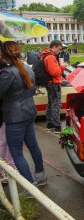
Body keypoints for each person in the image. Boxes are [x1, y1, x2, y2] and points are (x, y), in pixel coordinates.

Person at [0, 41, 46, 186]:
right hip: (29, 111)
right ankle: (40, 176)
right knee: (33, 146)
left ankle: (29, 185)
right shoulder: (27, 67)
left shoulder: (7, 73)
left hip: (14, 116)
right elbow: (32, 89)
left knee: (16, 151)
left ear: (4, 55)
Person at [42, 40, 67, 134]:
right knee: (56, 104)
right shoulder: (50, 57)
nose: (59, 51)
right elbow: (54, 72)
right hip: (54, 83)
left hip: (50, 83)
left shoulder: (46, 55)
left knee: (51, 104)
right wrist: (63, 66)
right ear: (54, 47)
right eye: (59, 49)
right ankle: (57, 126)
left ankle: (50, 124)